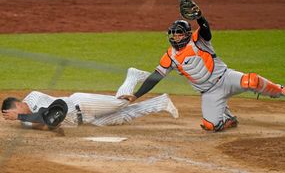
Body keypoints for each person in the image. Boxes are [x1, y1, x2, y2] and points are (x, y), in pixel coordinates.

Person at [119, 0, 285, 132]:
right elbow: (155, 77)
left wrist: (200, 17)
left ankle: (277, 90)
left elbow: (206, 29)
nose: (175, 37)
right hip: (209, 92)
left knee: (251, 81)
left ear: (187, 34)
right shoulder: (170, 56)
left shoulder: (198, 40)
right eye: (173, 34)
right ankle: (228, 118)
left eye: (179, 33)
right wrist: (136, 95)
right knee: (211, 126)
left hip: (226, 78)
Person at [2, 68, 178, 130]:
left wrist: (19, 117)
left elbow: (43, 115)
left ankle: (132, 75)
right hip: (86, 121)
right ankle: (160, 102)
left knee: (121, 103)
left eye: (13, 113)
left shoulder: (32, 98)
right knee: (124, 116)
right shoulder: (24, 120)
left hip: (83, 104)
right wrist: (22, 118)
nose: (13, 118)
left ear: (18, 104)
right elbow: (46, 124)